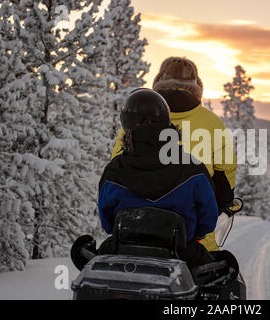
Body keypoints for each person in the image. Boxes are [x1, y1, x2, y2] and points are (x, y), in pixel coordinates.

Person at [111, 57, 237, 252]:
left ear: (159, 82)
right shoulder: (212, 123)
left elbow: (116, 167)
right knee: (219, 275)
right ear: (197, 87)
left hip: (133, 232)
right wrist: (220, 204)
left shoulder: (138, 119)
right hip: (193, 236)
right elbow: (226, 173)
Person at [97, 88, 217, 268]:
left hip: (123, 253)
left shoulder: (114, 171)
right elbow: (208, 221)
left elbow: (107, 222)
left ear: (127, 127)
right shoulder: (194, 170)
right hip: (182, 255)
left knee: (92, 268)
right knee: (223, 275)